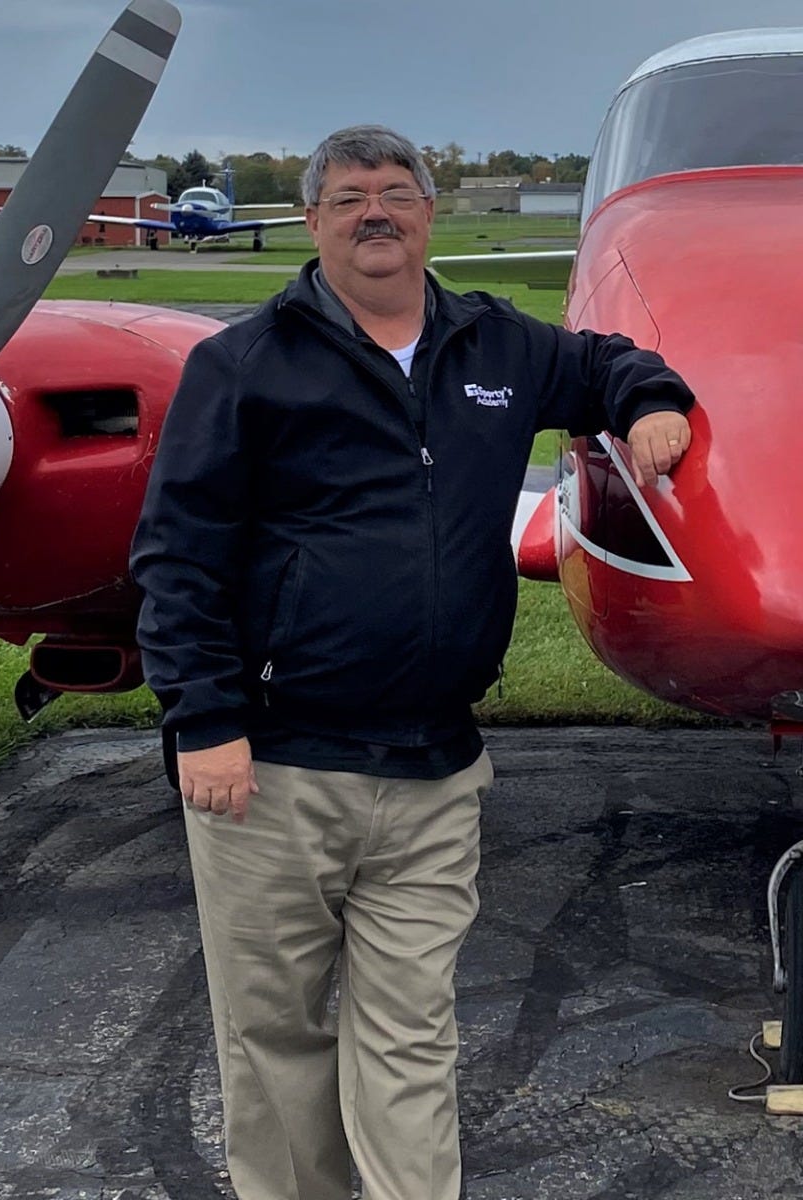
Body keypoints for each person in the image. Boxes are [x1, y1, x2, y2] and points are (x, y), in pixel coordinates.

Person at [130, 125, 694, 1200]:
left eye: (395, 192)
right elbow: (177, 555)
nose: (374, 212)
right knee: (274, 1039)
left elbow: (603, 360)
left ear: (430, 211)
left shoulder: (497, 346)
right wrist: (204, 722)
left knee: (411, 1036)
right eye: (348, 197)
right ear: (314, 221)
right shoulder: (241, 365)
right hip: (273, 773)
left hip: (436, 769)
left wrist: (652, 401)